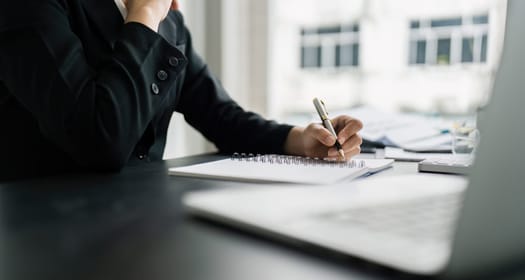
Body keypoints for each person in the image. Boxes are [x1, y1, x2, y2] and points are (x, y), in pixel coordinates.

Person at [0, 0, 363, 182]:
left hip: (138, 226)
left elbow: (222, 117)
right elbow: (100, 138)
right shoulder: (30, 7)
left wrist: (298, 140)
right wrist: (144, 15)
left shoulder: (167, 19)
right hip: (50, 238)